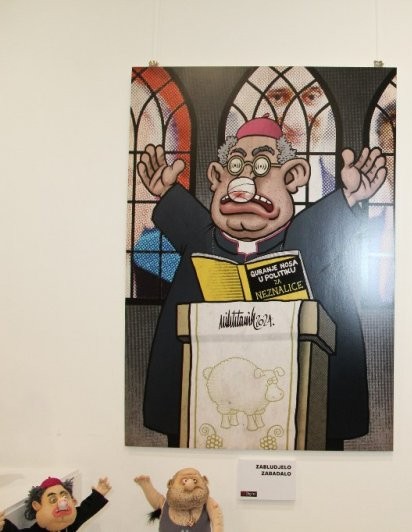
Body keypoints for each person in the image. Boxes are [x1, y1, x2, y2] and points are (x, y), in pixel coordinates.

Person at [136, 115, 386, 449]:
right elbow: (185, 216)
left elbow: (321, 227)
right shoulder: (203, 240)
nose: (245, 182)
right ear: (217, 176)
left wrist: (350, 196)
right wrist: (165, 191)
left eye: (262, 166)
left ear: (293, 176)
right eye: (235, 166)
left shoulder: (303, 239)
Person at [1, 477, 110, 531]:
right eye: (53, 500)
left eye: (65, 497)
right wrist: (4, 526)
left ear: (73, 501)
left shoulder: (69, 525)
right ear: (37, 506)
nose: (62, 503)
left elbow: (86, 509)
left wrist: (98, 494)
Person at [134, 469, 222, 532]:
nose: (190, 484)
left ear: (204, 481)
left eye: (195, 480)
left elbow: (216, 520)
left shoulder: (206, 503)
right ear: (170, 484)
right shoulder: (166, 504)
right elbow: (156, 500)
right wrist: (146, 486)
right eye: (185, 480)